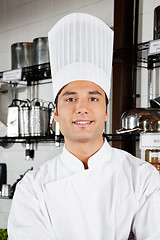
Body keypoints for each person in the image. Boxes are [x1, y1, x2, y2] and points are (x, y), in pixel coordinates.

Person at [8, 13, 160, 240]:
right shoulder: (32, 187)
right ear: (56, 114)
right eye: (70, 99)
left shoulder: (142, 177)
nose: (81, 108)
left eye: (93, 98)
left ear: (106, 111)